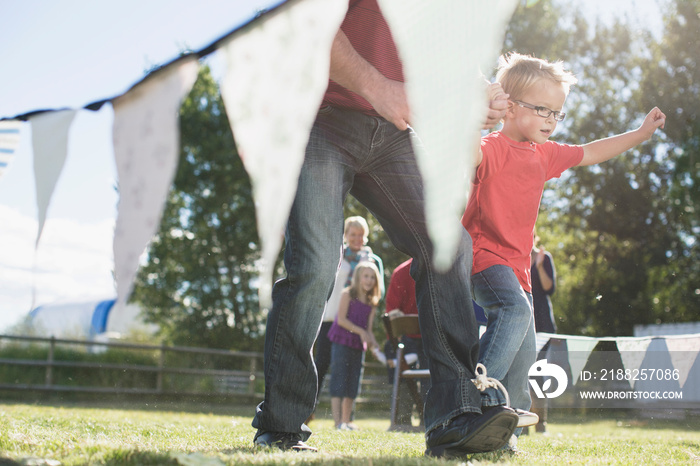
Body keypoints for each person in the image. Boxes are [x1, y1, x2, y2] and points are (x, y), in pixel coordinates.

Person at [252, 0, 519, 456]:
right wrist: (380, 87)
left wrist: (484, 92)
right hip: (315, 116)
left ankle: (455, 416)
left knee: (449, 246)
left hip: (389, 132)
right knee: (316, 264)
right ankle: (281, 424)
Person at [462, 52, 665, 443]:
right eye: (543, 110)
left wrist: (639, 135)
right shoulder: (492, 145)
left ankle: (501, 440)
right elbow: (470, 156)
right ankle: (473, 397)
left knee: (522, 365)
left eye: (557, 113)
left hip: (519, 271)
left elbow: (591, 151)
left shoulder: (545, 154)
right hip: (485, 258)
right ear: (510, 106)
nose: (552, 121)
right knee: (513, 310)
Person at [313, 216, 375, 407]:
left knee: (350, 368)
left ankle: (347, 416)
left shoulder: (371, 260)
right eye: (353, 234)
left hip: (355, 322)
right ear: (346, 235)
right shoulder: (335, 255)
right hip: (331, 316)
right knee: (321, 363)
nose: (357, 238)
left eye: (361, 235)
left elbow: (375, 291)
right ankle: (308, 408)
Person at [327, 262, 381, 430]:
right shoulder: (347, 294)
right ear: (358, 277)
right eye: (366, 276)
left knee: (353, 382)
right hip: (341, 342)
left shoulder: (372, 303)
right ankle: (337, 423)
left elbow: (368, 330)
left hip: (358, 346)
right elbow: (341, 320)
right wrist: (361, 332)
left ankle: (346, 421)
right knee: (339, 379)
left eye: (372, 277)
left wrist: (374, 343)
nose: (369, 280)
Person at [383, 258, 427, 427]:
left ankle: (411, 418)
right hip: (408, 337)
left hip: (424, 337)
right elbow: (392, 313)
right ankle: (408, 417)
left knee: (425, 378)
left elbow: (391, 311)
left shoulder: (401, 271)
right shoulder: (401, 272)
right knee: (405, 374)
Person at [528, 234, 556, 434]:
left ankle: (540, 423)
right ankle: (522, 423)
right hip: (524, 322)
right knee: (521, 372)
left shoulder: (545, 258)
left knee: (536, 373)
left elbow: (549, 288)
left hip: (543, 326)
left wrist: (537, 266)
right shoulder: (516, 255)